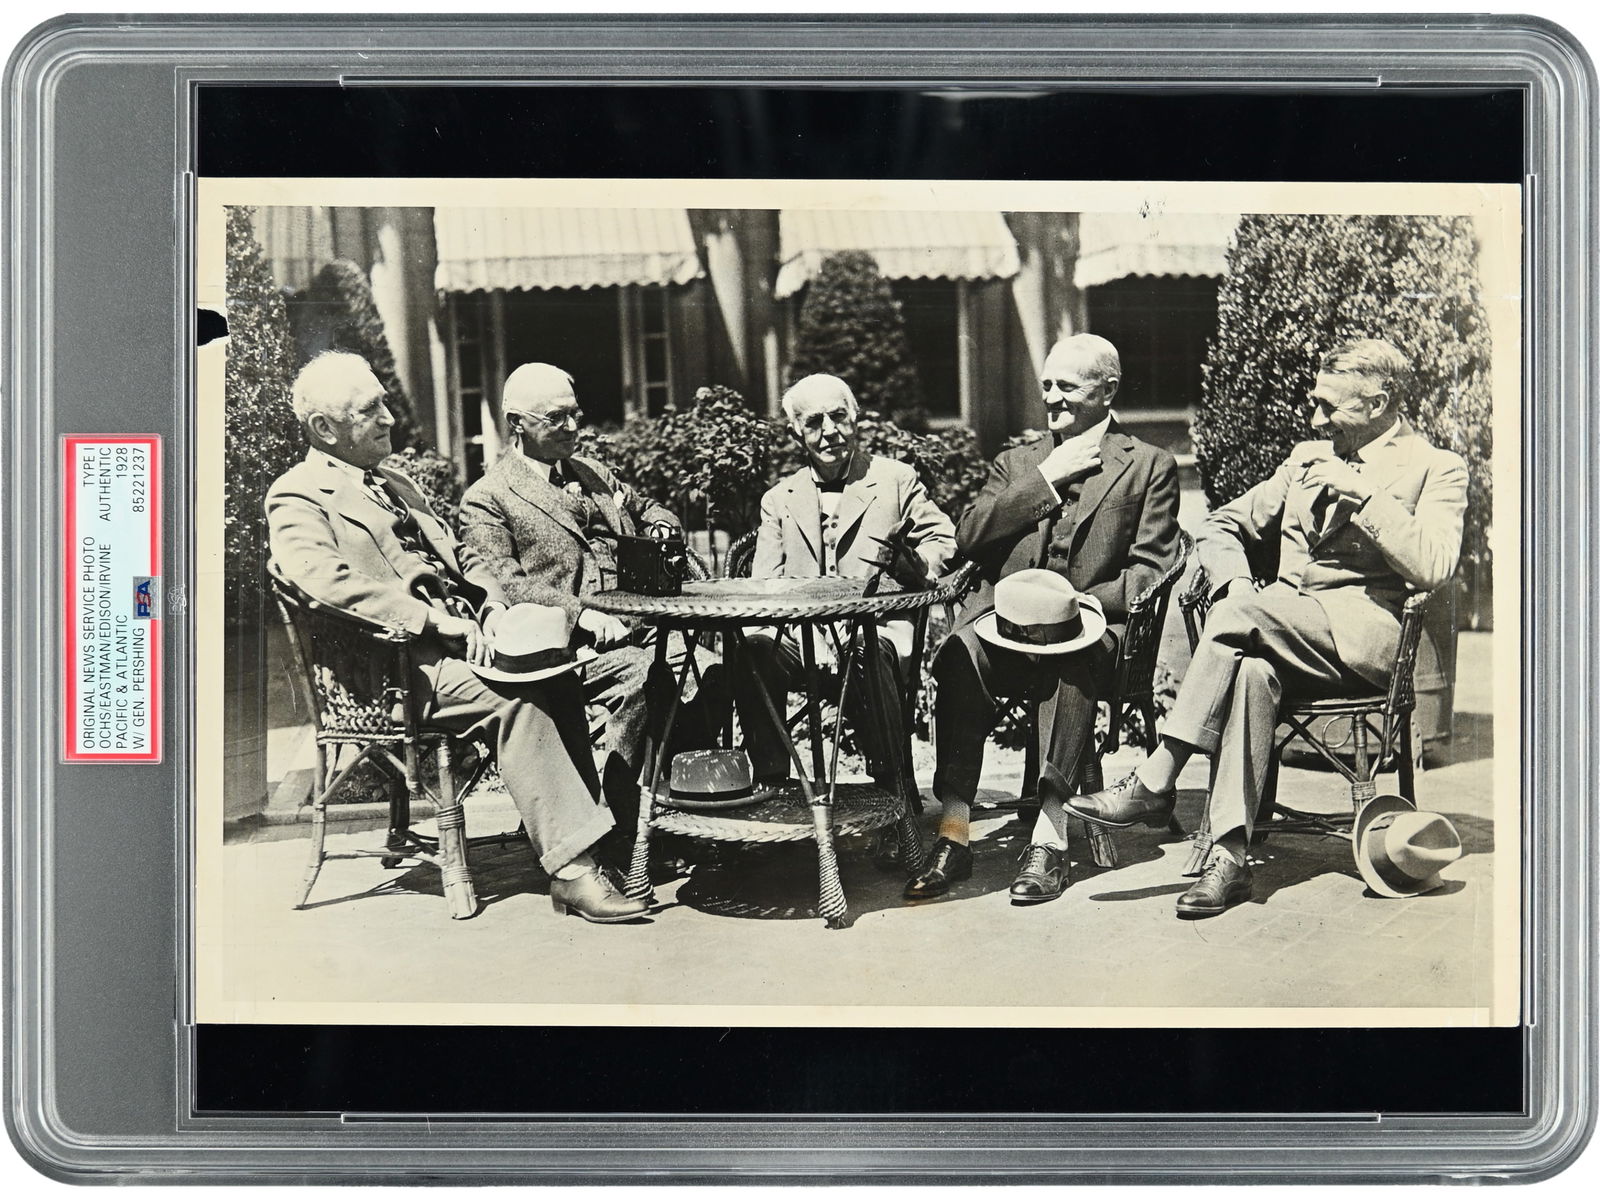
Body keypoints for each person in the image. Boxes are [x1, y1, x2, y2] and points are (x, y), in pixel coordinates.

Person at [1069, 338, 1468, 918]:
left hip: (1362, 643)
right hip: (1274, 633)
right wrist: (1234, 584)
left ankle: (1156, 778)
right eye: (1314, 402)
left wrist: (1365, 496)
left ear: (1378, 404)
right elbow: (1219, 525)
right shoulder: (1306, 459)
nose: (1315, 418)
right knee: (1252, 672)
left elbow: (1433, 564)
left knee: (1243, 622)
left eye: (1330, 406)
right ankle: (1230, 859)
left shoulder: (1437, 467)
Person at [265, 351, 645, 924]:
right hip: (394, 668)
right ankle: (573, 871)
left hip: (467, 645)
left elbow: (463, 556)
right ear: (324, 427)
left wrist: (491, 603)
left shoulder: (395, 483)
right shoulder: (298, 495)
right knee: (520, 699)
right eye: (371, 409)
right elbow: (321, 578)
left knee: (571, 671)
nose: (390, 418)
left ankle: (596, 841)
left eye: (385, 404)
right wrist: (431, 620)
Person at [909, 334, 1181, 903]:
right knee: (959, 653)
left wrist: (1075, 608)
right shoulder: (1018, 462)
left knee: (1071, 658)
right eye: (1047, 385)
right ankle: (954, 833)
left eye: (1067, 387)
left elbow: (1149, 572)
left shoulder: (1148, 464)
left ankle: (1049, 840)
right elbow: (969, 538)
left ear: (1107, 391)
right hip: (1004, 629)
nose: (1051, 397)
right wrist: (1047, 477)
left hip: (1091, 632)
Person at [459, 362, 721, 840]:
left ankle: (694, 812)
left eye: (575, 415)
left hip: (641, 626)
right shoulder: (488, 498)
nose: (572, 427)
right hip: (565, 650)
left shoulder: (592, 472)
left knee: (712, 672)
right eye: (556, 418)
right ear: (517, 423)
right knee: (643, 677)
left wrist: (661, 525)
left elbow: (646, 507)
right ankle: (615, 828)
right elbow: (508, 584)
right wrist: (581, 614)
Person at [731, 373, 956, 814]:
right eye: (814, 422)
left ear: (856, 418)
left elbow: (942, 539)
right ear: (795, 432)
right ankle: (775, 789)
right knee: (753, 652)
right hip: (801, 637)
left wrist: (917, 567)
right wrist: (799, 628)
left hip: (878, 629)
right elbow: (765, 583)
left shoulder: (894, 480)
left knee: (864, 649)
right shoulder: (779, 498)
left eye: (839, 416)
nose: (830, 431)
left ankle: (893, 794)